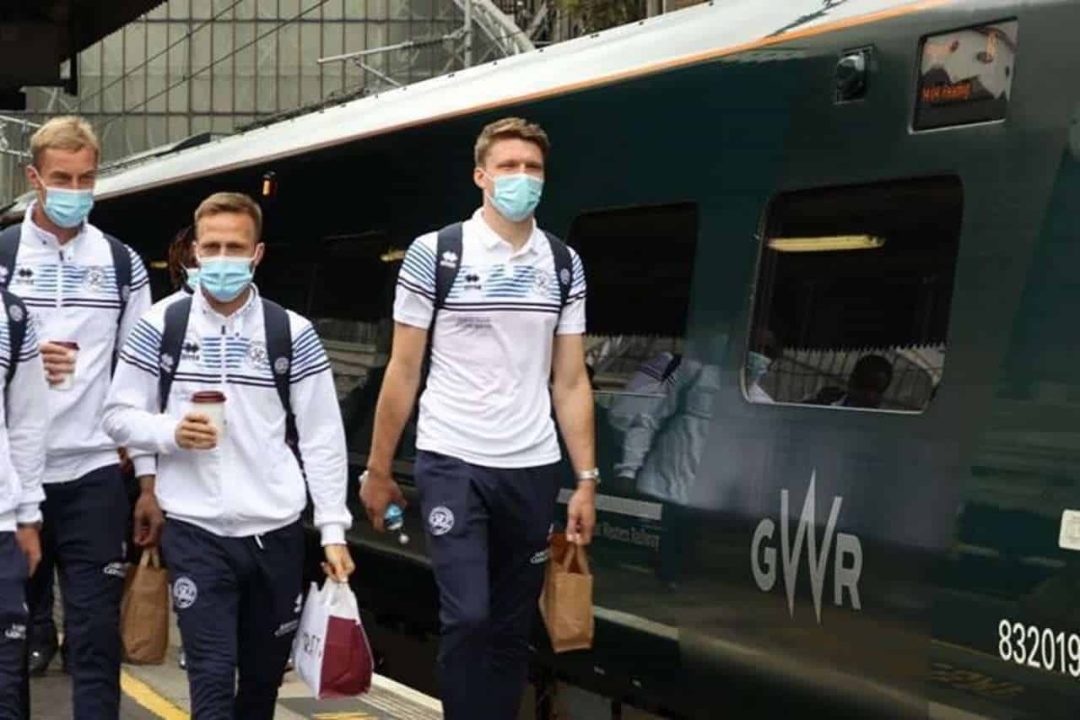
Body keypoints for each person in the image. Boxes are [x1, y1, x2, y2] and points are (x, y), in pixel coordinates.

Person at [359, 117, 598, 720]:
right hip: (453, 459)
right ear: (481, 176)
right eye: (509, 166)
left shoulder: (564, 265)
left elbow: (568, 380)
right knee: (468, 617)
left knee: (513, 630)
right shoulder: (435, 254)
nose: (521, 178)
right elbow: (403, 370)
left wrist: (587, 479)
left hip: (533, 465)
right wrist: (379, 468)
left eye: (533, 168)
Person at [102, 192, 354, 718]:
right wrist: (172, 432)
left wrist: (332, 528)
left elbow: (322, 435)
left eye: (234, 247)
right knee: (212, 682)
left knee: (260, 688)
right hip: (196, 531)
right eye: (211, 247)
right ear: (194, 251)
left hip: (276, 531)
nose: (221, 258)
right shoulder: (161, 326)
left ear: (257, 253)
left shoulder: (291, 333)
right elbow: (118, 415)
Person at [2, 116, 155, 715]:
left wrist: (147, 481)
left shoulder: (122, 264)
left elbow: (140, 380)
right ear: (33, 177)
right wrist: (21, 356)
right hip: (16, 478)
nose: (74, 190)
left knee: (95, 641)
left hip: (94, 475)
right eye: (61, 178)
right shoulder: (5, 255)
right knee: (10, 640)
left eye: (86, 178)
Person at [0, 286, 50, 718]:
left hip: (1, 526)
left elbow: (28, 421)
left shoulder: (11, 314)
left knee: (5, 685)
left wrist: (28, 515)